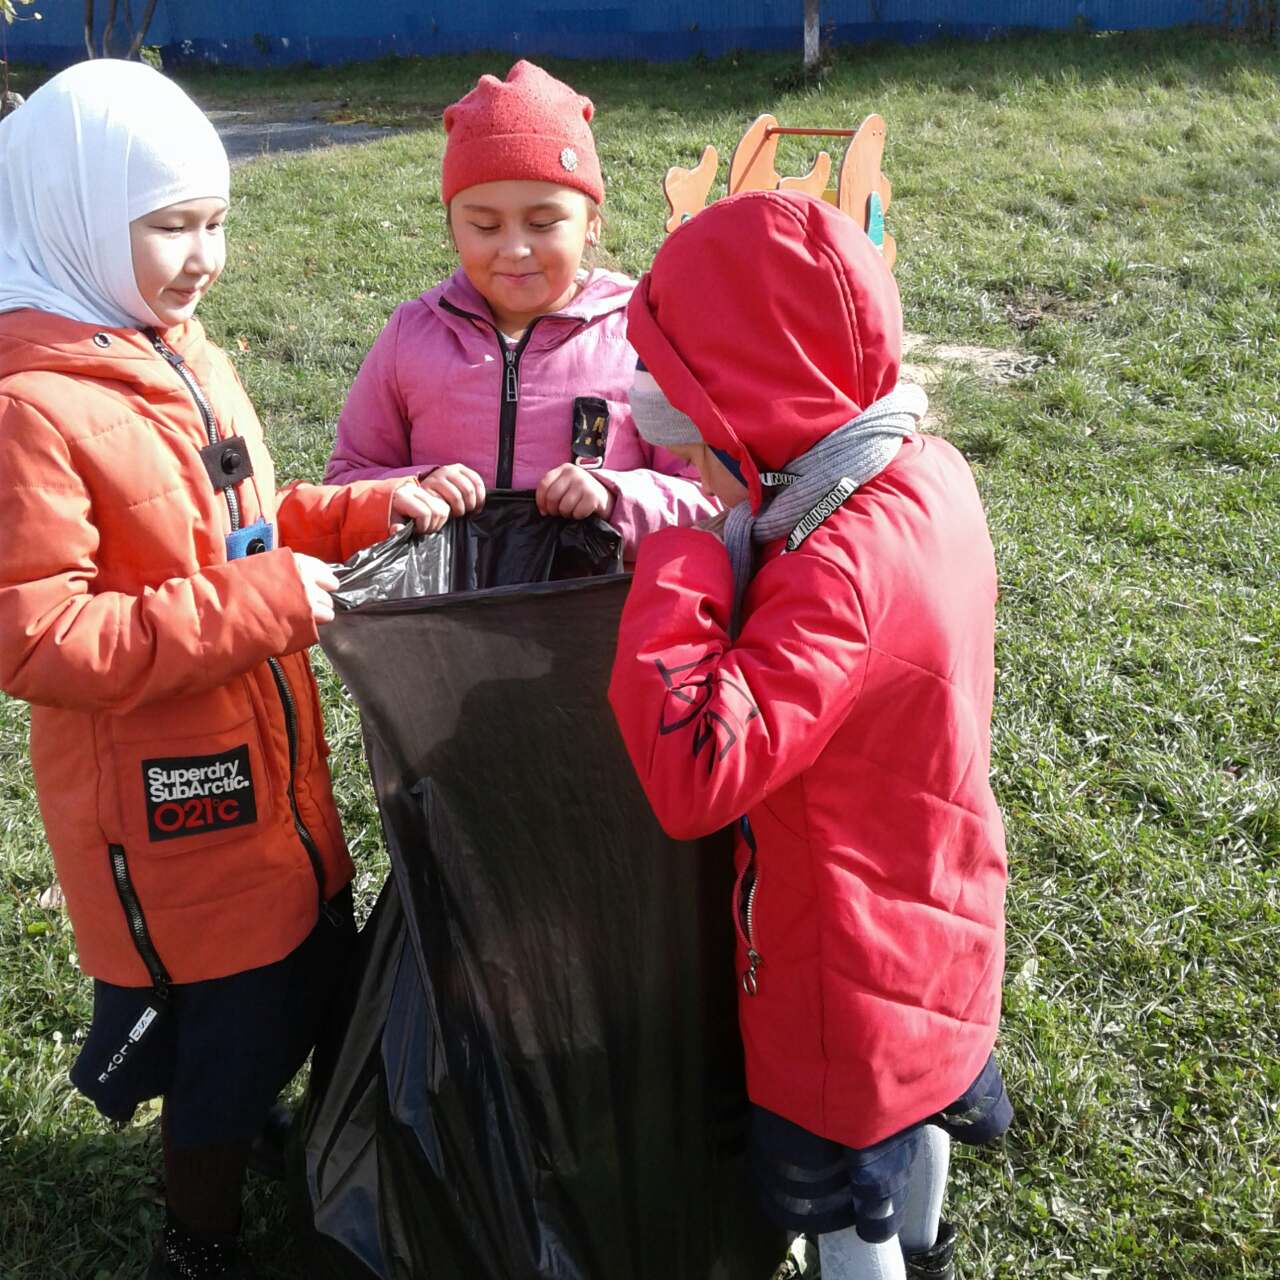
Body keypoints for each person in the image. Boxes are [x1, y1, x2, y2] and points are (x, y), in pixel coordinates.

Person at [0, 60, 446, 1280]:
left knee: (301, 969)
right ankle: (196, 1239)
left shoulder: (175, 350)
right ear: (75, 216)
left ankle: (261, 1124)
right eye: (170, 227)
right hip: (168, 819)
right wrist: (259, 604)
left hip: (266, 773)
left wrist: (363, 513)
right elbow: (38, 636)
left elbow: (242, 528)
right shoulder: (30, 405)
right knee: (224, 1033)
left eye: (216, 221)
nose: (204, 256)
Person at [608, 190, 1012, 1280]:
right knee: (920, 1108)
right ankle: (928, 1245)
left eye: (700, 444)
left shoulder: (828, 569)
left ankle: (888, 1257)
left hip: (840, 963)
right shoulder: (925, 471)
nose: (692, 472)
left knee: (847, 1207)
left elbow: (696, 765)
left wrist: (684, 564)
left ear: (755, 421)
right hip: (938, 898)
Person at [324, 59, 716, 554]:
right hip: (445, 603)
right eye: (485, 226)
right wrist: (407, 489)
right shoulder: (411, 335)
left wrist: (615, 496)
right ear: (452, 228)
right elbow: (345, 481)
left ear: (592, 224)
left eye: (543, 223)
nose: (514, 249)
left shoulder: (642, 338)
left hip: (600, 601)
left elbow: (709, 494)